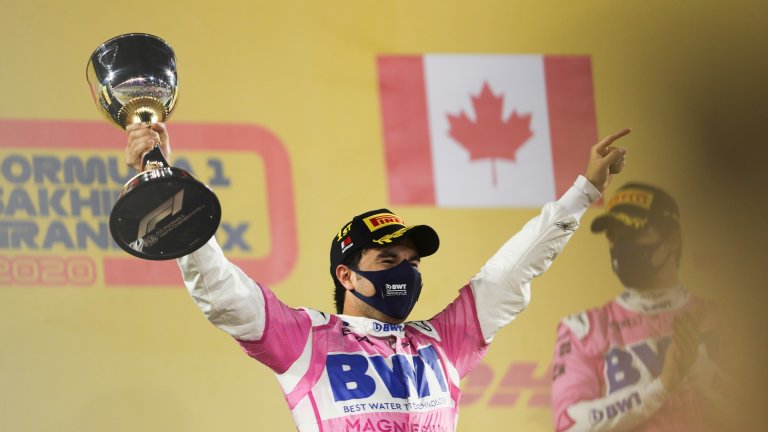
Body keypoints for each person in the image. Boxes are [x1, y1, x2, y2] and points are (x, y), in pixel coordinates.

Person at [125, 122, 630, 431]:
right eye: (389, 262)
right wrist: (171, 196)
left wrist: (582, 193)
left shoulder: (444, 341)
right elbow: (223, 293)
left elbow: (511, 271)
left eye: (413, 263)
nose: (406, 273)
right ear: (346, 275)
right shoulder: (305, 339)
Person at [550, 182, 729, 431]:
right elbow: (569, 423)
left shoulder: (723, 318)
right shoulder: (584, 329)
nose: (622, 246)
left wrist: (698, 366)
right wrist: (659, 388)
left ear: (673, 240)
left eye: (635, 232)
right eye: (615, 236)